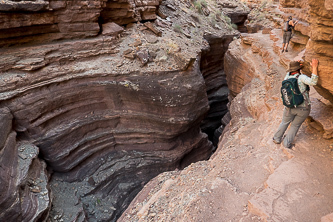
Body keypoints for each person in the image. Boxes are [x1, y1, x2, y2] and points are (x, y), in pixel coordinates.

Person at [273, 58, 319, 148]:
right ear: (299, 69)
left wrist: (296, 65)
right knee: (295, 126)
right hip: (303, 108)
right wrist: (314, 67)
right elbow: (313, 82)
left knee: (284, 122)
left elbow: (290, 71)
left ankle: (277, 138)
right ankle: (286, 143)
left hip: (289, 107)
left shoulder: (286, 78)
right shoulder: (301, 78)